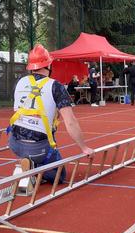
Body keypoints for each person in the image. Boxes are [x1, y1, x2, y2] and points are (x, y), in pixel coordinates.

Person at [8, 44, 93, 182]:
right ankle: (34, 166)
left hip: (15, 142)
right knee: (59, 176)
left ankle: (29, 162)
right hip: (38, 146)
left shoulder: (19, 82)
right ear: (49, 65)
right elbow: (70, 121)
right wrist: (84, 147)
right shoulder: (56, 86)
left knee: (33, 149)